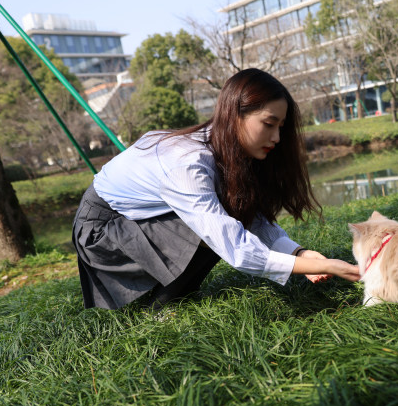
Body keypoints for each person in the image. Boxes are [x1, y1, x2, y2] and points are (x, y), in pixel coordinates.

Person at [72, 68, 360, 310]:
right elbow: (234, 245)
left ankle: (175, 295)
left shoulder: (227, 150)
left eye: (281, 127)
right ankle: (163, 306)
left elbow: (253, 219)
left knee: (226, 214)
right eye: (269, 124)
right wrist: (322, 267)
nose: (276, 137)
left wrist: (300, 253)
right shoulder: (188, 164)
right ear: (235, 115)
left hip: (136, 217)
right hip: (102, 228)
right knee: (213, 228)